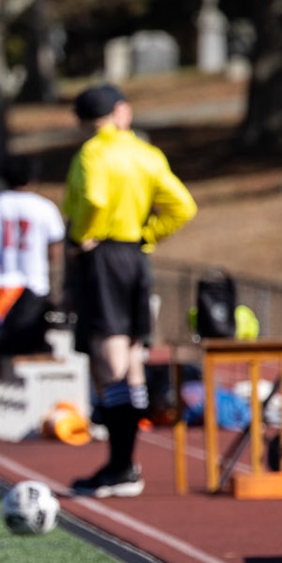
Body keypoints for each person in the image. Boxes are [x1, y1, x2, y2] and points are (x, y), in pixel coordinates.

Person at [61, 84, 196, 497]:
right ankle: (124, 464)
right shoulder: (145, 153)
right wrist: (146, 236)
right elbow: (182, 206)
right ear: (119, 111)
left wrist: (82, 237)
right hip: (134, 256)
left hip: (103, 257)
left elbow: (95, 199)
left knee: (111, 360)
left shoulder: (92, 153)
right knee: (133, 358)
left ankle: (120, 466)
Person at [0, 155, 66, 387]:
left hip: (1, 289)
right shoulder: (45, 207)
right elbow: (55, 251)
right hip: (34, 286)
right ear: (33, 178)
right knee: (30, 346)